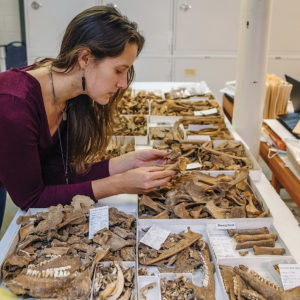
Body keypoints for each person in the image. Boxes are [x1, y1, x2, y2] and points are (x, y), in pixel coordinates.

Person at [0, 6, 175, 211]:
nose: (123, 84)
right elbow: (31, 200)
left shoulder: (68, 87)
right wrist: (119, 184)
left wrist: (128, 162)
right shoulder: (13, 107)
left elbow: (56, 174)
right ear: (84, 58)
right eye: (119, 71)